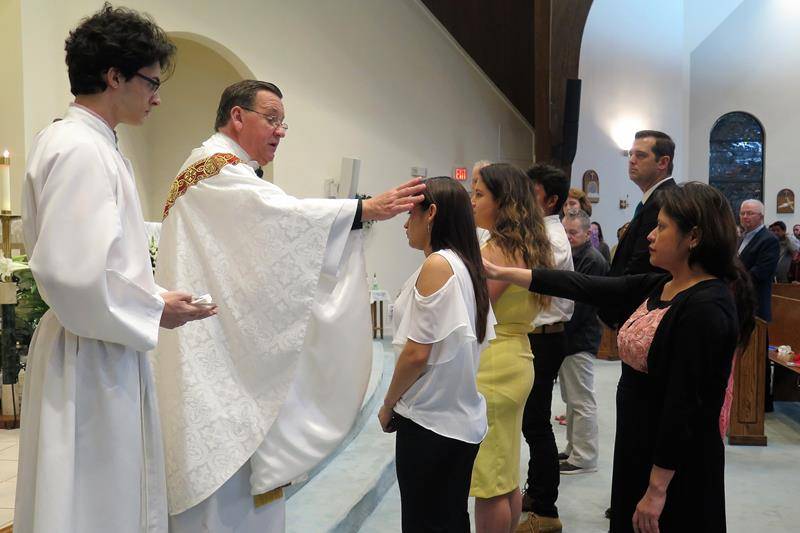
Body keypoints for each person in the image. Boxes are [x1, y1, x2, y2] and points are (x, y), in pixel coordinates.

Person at [152, 79, 425, 532]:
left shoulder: (222, 168)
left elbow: (262, 244)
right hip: (211, 360)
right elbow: (281, 218)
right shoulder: (215, 169)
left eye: (284, 123)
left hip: (215, 349)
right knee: (222, 488)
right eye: (272, 119)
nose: (281, 131)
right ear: (237, 117)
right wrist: (363, 210)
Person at [15, 5, 218, 533]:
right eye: (150, 81)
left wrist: (153, 298)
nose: (157, 95)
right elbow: (73, 274)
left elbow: (102, 262)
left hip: (100, 342)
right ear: (114, 76)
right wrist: (155, 308)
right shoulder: (79, 149)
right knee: (93, 501)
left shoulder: (90, 143)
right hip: (91, 355)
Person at [484, 181, 755, 533]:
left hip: (675, 465)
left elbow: (684, 407)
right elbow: (583, 285)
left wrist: (657, 490)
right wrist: (503, 272)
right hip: (639, 445)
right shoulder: (664, 284)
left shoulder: (707, 307)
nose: (650, 237)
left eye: (661, 227)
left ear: (693, 237)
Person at [381, 176, 494, 532]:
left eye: (410, 213)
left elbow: (416, 353)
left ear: (431, 213)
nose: (404, 223)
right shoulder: (463, 263)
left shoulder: (438, 265)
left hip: (430, 420)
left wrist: (388, 404)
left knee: (423, 521)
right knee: (448, 518)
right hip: (455, 419)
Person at [469, 163, 553, 533]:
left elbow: (476, 307)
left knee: (489, 478)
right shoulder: (521, 242)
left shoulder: (500, 249)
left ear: (502, 202)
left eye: (479, 194)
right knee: (504, 470)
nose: (471, 202)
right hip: (514, 353)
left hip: (495, 360)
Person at [519, 163, 573, 533]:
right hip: (535, 337)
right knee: (529, 421)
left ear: (551, 200)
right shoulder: (537, 233)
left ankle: (546, 507)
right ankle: (534, 491)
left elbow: (524, 283)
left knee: (536, 424)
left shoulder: (550, 240)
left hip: (545, 338)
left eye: (531, 192)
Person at [602, 130, 679, 328]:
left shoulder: (662, 201)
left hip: (643, 313)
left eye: (641, 155)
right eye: (631, 154)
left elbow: (641, 265)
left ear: (663, 162)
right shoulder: (653, 200)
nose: (632, 160)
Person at [558, 210, 608, 475]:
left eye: (573, 232)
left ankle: (585, 456)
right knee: (571, 399)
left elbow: (582, 305)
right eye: (565, 232)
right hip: (569, 337)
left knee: (582, 399)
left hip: (580, 337)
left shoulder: (593, 260)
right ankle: (573, 448)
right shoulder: (573, 256)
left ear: (588, 233)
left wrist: (559, 329)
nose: (568, 237)